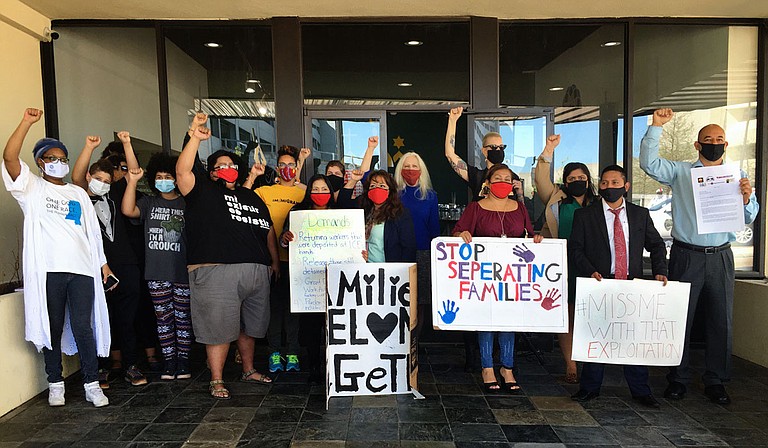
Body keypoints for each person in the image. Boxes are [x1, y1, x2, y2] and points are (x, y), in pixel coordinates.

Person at [640, 108, 759, 405]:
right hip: (686, 254)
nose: (714, 143)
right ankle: (677, 379)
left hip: (720, 255)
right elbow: (649, 163)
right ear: (697, 144)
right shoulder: (681, 173)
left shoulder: (738, 176)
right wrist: (656, 127)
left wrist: (746, 198)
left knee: (721, 320)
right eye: (708, 138)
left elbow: (749, 215)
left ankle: (716, 380)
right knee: (681, 318)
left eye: (719, 138)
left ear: (726, 145)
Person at [2, 108, 111, 407]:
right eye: (52, 158)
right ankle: (55, 382)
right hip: (49, 270)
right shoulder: (32, 189)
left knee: (82, 326)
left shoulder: (77, 194)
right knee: (51, 325)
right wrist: (26, 122)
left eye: (62, 158)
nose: (59, 163)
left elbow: (92, 235)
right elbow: (10, 158)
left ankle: (91, 382)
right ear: (40, 162)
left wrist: (102, 265)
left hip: (81, 271)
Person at [176, 126, 278, 399]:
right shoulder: (201, 191)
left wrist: (272, 263)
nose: (227, 168)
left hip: (255, 270)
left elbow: (267, 229)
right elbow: (183, 172)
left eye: (231, 164)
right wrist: (196, 138)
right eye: (220, 166)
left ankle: (248, 369)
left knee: (250, 326)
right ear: (210, 172)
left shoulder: (250, 195)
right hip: (215, 270)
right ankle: (217, 379)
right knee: (218, 328)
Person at [569, 164, 668, 408]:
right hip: (599, 283)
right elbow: (575, 249)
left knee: (632, 338)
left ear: (626, 186)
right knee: (596, 336)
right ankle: (590, 388)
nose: (609, 187)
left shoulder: (640, 215)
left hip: (631, 283)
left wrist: (659, 272)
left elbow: (656, 245)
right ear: (599, 186)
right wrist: (589, 270)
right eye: (604, 183)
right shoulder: (585, 215)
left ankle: (640, 390)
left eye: (615, 183)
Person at [452, 164, 543, 392]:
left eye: (507, 178)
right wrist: (461, 234)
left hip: (511, 278)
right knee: (487, 320)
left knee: (508, 321)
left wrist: (538, 239)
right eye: (497, 178)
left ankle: (507, 367)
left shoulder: (520, 208)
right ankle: (487, 367)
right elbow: (457, 231)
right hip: (484, 278)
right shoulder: (475, 208)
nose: (502, 182)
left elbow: (530, 234)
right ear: (488, 183)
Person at [72, 133, 148, 387]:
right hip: (94, 266)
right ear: (89, 179)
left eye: (106, 179)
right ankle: (102, 367)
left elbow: (134, 171)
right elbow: (77, 175)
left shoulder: (116, 191)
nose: (102, 183)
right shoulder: (80, 196)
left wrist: (127, 144)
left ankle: (131, 366)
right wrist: (89, 147)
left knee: (127, 318)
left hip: (127, 263)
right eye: (98, 179)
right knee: (101, 318)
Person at [534, 134, 598, 384]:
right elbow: (540, 179)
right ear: (565, 182)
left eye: (582, 178)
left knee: (591, 315)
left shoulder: (599, 202)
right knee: (567, 316)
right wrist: (548, 150)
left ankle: (591, 363)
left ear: (588, 180)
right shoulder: (557, 199)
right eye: (572, 179)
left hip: (592, 265)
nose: (577, 182)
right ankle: (570, 365)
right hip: (563, 265)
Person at [121, 152, 192, 381]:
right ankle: (169, 361)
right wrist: (132, 182)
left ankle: (184, 361)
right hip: (156, 272)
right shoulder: (149, 202)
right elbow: (127, 210)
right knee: (163, 319)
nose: (164, 179)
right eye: (159, 176)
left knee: (183, 318)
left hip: (182, 270)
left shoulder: (186, 203)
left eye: (168, 176)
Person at [245, 145, 307, 374]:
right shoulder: (265, 192)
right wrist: (252, 176)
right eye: (283, 165)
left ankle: (292, 352)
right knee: (272, 309)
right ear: (277, 168)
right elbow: (241, 198)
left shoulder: (303, 193)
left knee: (293, 310)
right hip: (271, 260)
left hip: (298, 262)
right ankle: (273, 352)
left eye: (291, 165)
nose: (287, 169)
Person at [279, 174, 338, 384]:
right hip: (308, 281)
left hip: (335, 280)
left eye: (324, 189)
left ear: (330, 192)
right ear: (308, 191)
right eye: (315, 189)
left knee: (334, 326)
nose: (320, 193)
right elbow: (282, 240)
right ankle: (314, 366)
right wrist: (285, 239)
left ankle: (335, 366)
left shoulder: (341, 215)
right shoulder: (297, 213)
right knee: (311, 327)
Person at [394, 152, 440, 339]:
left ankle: (414, 343)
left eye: (415, 167)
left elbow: (434, 228)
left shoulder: (430, 196)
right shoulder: (393, 194)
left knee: (419, 302)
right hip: (397, 253)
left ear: (421, 171)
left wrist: (434, 256)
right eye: (407, 166)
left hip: (423, 253)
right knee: (398, 299)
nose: (411, 170)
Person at [339, 169, 417, 263]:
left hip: (390, 271)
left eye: (382, 186)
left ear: (390, 191)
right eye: (373, 186)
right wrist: (353, 180)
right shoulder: (363, 208)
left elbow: (409, 248)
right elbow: (342, 203)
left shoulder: (400, 214)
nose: (377, 189)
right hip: (364, 269)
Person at [444, 106, 510, 199]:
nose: (498, 150)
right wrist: (452, 121)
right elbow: (450, 155)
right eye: (494, 147)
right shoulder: (478, 176)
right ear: (484, 151)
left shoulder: (511, 177)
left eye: (502, 147)